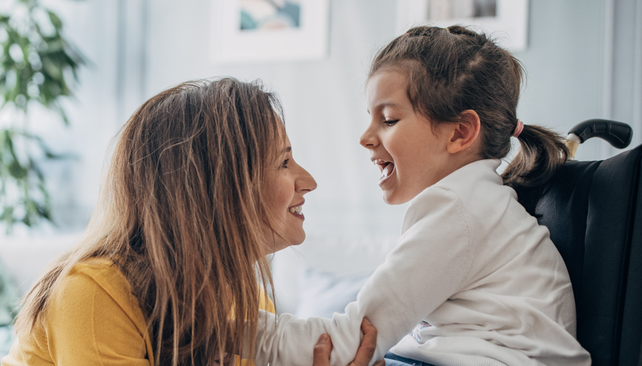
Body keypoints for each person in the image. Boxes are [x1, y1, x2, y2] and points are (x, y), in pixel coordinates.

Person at [247, 26, 592, 366]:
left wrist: (221, 330)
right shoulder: (480, 205)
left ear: (460, 132)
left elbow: (353, 339)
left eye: (389, 119)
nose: (365, 137)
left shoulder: (459, 210)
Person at [0, 78, 378, 366]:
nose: (308, 181)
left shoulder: (243, 301)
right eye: (283, 162)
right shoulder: (94, 294)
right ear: (220, 188)